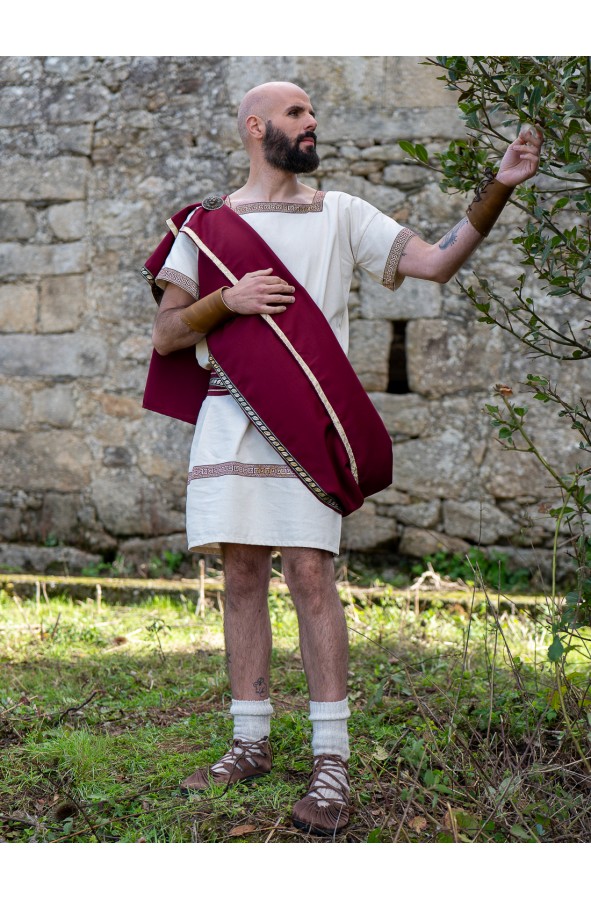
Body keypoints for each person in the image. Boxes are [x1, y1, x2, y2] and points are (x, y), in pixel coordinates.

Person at [143, 81, 542, 836]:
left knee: (311, 574)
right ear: (257, 126)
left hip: (307, 422)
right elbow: (166, 336)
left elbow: (435, 262)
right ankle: (249, 743)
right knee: (239, 575)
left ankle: (331, 760)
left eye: (312, 112)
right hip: (232, 419)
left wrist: (498, 188)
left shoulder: (340, 212)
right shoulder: (206, 228)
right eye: (296, 113)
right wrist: (222, 304)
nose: (311, 122)